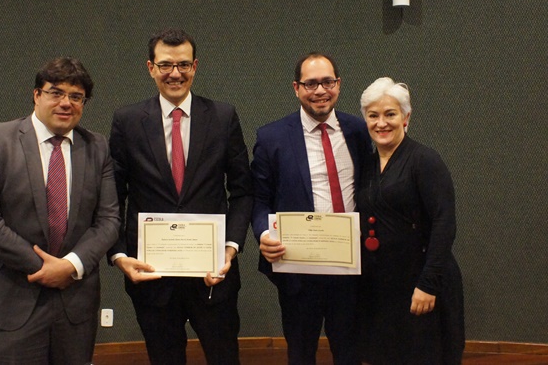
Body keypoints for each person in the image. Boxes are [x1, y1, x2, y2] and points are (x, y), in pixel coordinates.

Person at [107, 28, 253, 365]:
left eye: (184, 64)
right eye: (166, 65)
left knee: (224, 357)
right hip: (151, 274)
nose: (175, 73)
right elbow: (114, 194)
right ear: (150, 68)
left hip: (213, 272)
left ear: (195, 66)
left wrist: (230, 248)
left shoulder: (222, 116)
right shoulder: (127, 121)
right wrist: (118, 254)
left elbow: (243, 190)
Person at [0, 57, 121, 364]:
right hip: (13, 299)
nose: (66, 103)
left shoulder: (97, 147)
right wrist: (45, 268)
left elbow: (108, 220)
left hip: (75, 303)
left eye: (76, 97)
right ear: (37, 94)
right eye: (56, 92)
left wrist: (70, 266)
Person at [251, 52, 372, 365]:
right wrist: (264, 233)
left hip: (349, 268)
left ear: (338, 84)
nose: (321, 90)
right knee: (301, 353)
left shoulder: (359, 132)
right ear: (296, 88)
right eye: (311, 83)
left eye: (327, 82)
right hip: (298, 270)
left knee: (350, 352)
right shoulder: (271, 137)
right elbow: (259, 199)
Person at [355, 77, 465, 364]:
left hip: (421, 282)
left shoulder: (425, 160)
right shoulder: (366, 164)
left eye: (390, 114)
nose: (381, 123)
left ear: (406, 117)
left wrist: (428, 284)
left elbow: (444, 222)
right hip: (382, 287)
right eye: (373, 115)